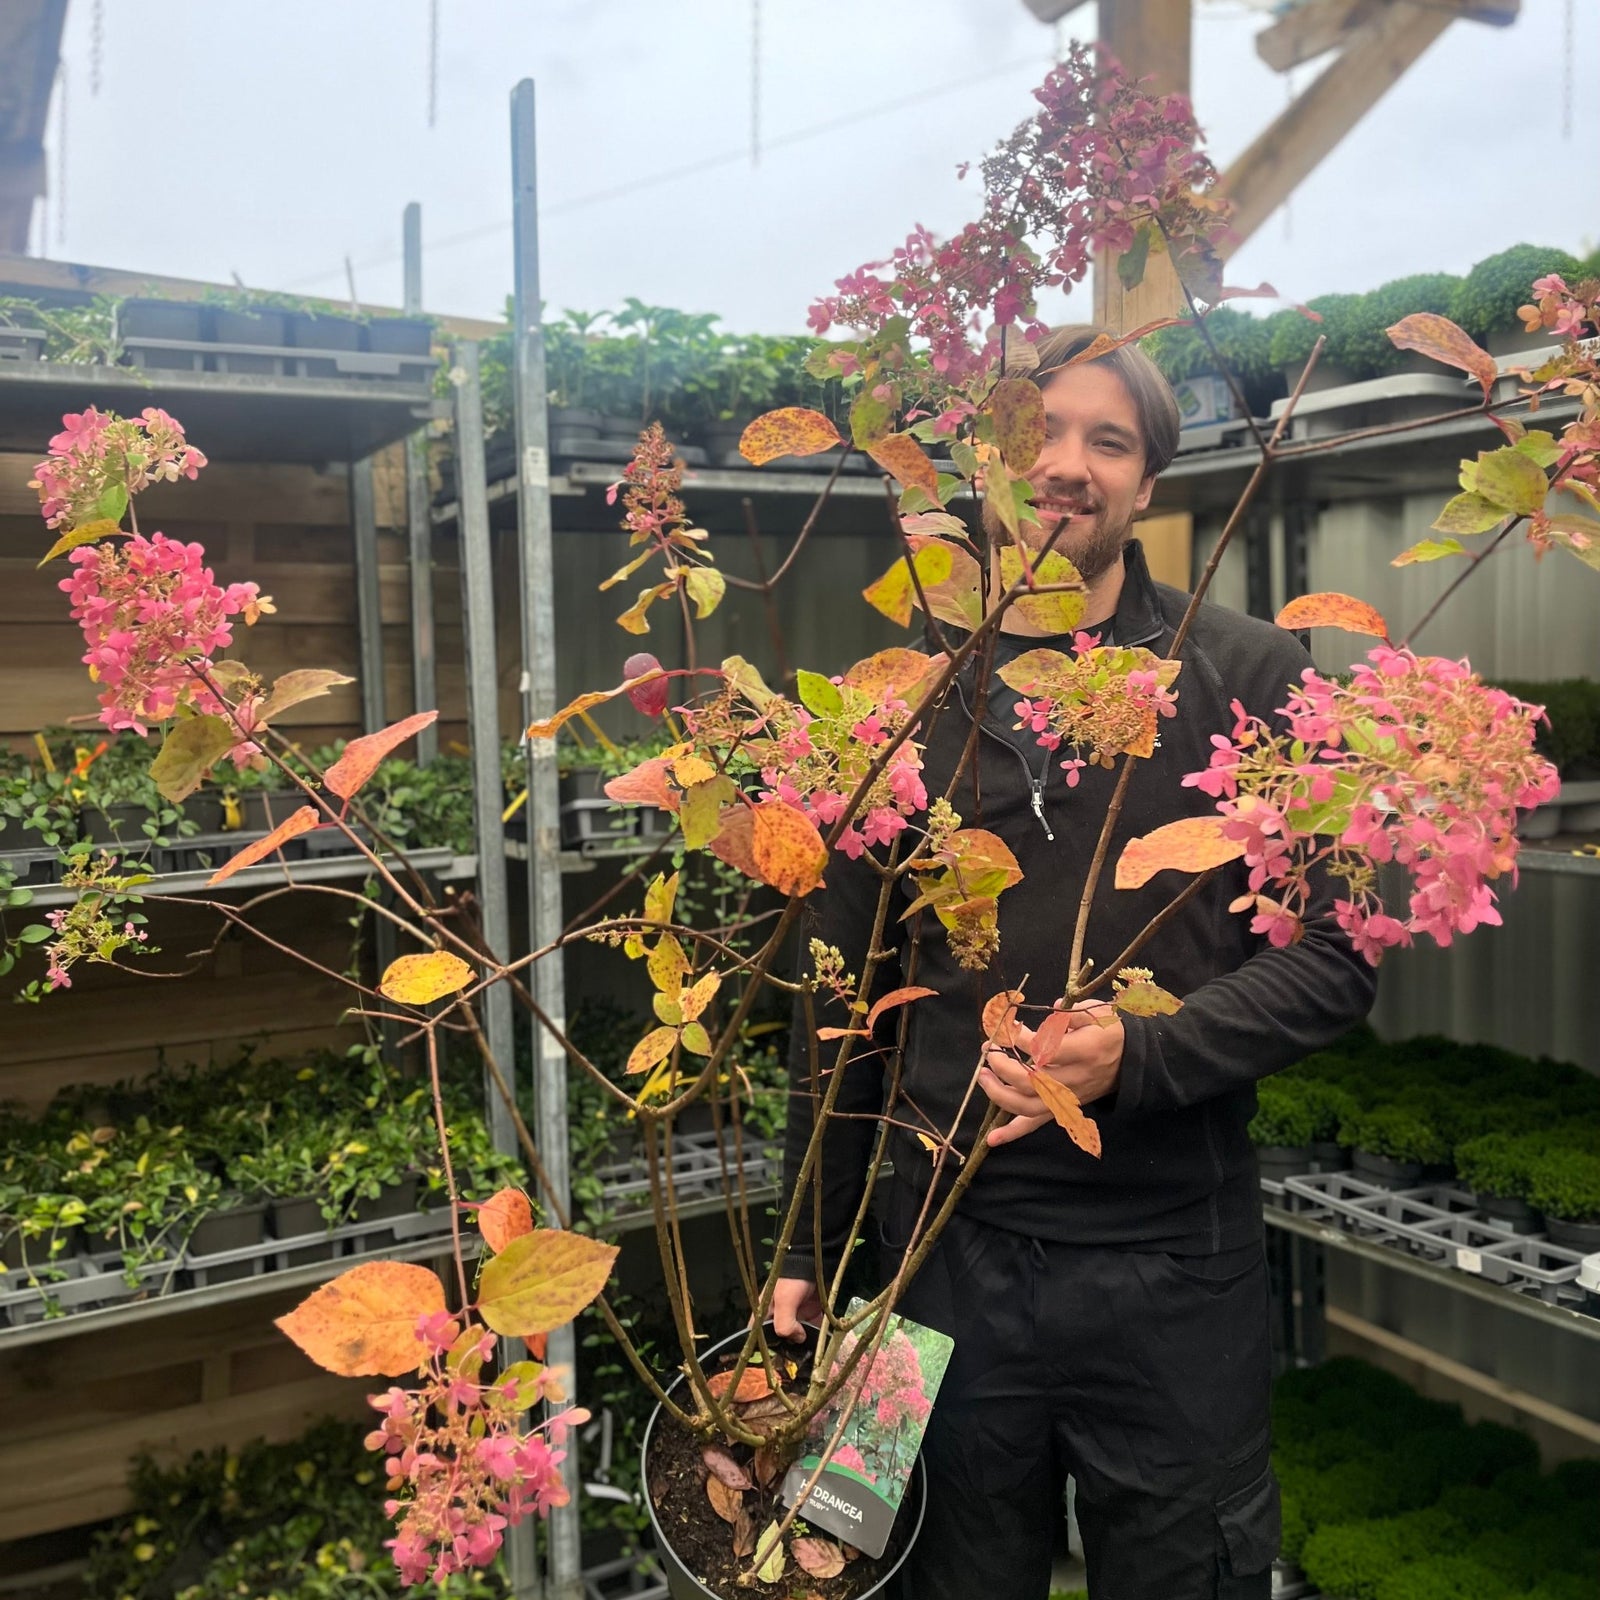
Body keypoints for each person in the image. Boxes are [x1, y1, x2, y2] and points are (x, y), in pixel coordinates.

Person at [772, 326, 1378, 1599]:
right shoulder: (905, 698)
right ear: (986, 459)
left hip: (1173, 1266)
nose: (1065, 464)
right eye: (1037, 431)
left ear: (1149, 485)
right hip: (936, 1259)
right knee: (933, 1577)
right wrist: (803, 1248)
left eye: (1107, 440)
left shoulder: (1250, 676)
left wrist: (1141, 1053)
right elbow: (838, 1005)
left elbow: (1335, 958)